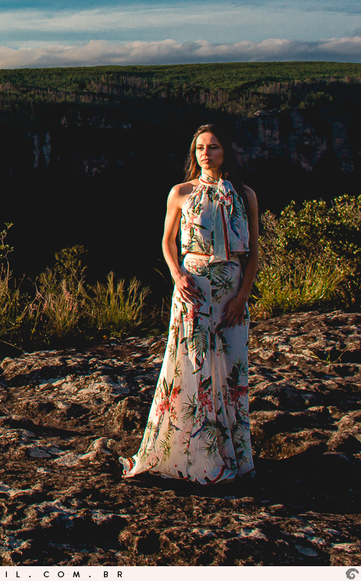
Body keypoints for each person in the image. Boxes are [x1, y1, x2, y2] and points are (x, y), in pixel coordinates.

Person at [121, 123, 260, 483]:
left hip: (230, 292)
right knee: (192, 368)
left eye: (213, 147)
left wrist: (242, 296)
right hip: (193, 288)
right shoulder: (181, 192)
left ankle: (231, 457)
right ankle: (192, 457)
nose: (205, 154)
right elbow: (167, 242)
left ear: (225, 151)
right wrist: (178, 276)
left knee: (230, 372)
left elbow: (254, 252)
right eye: (200, 148)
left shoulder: (245, 195)